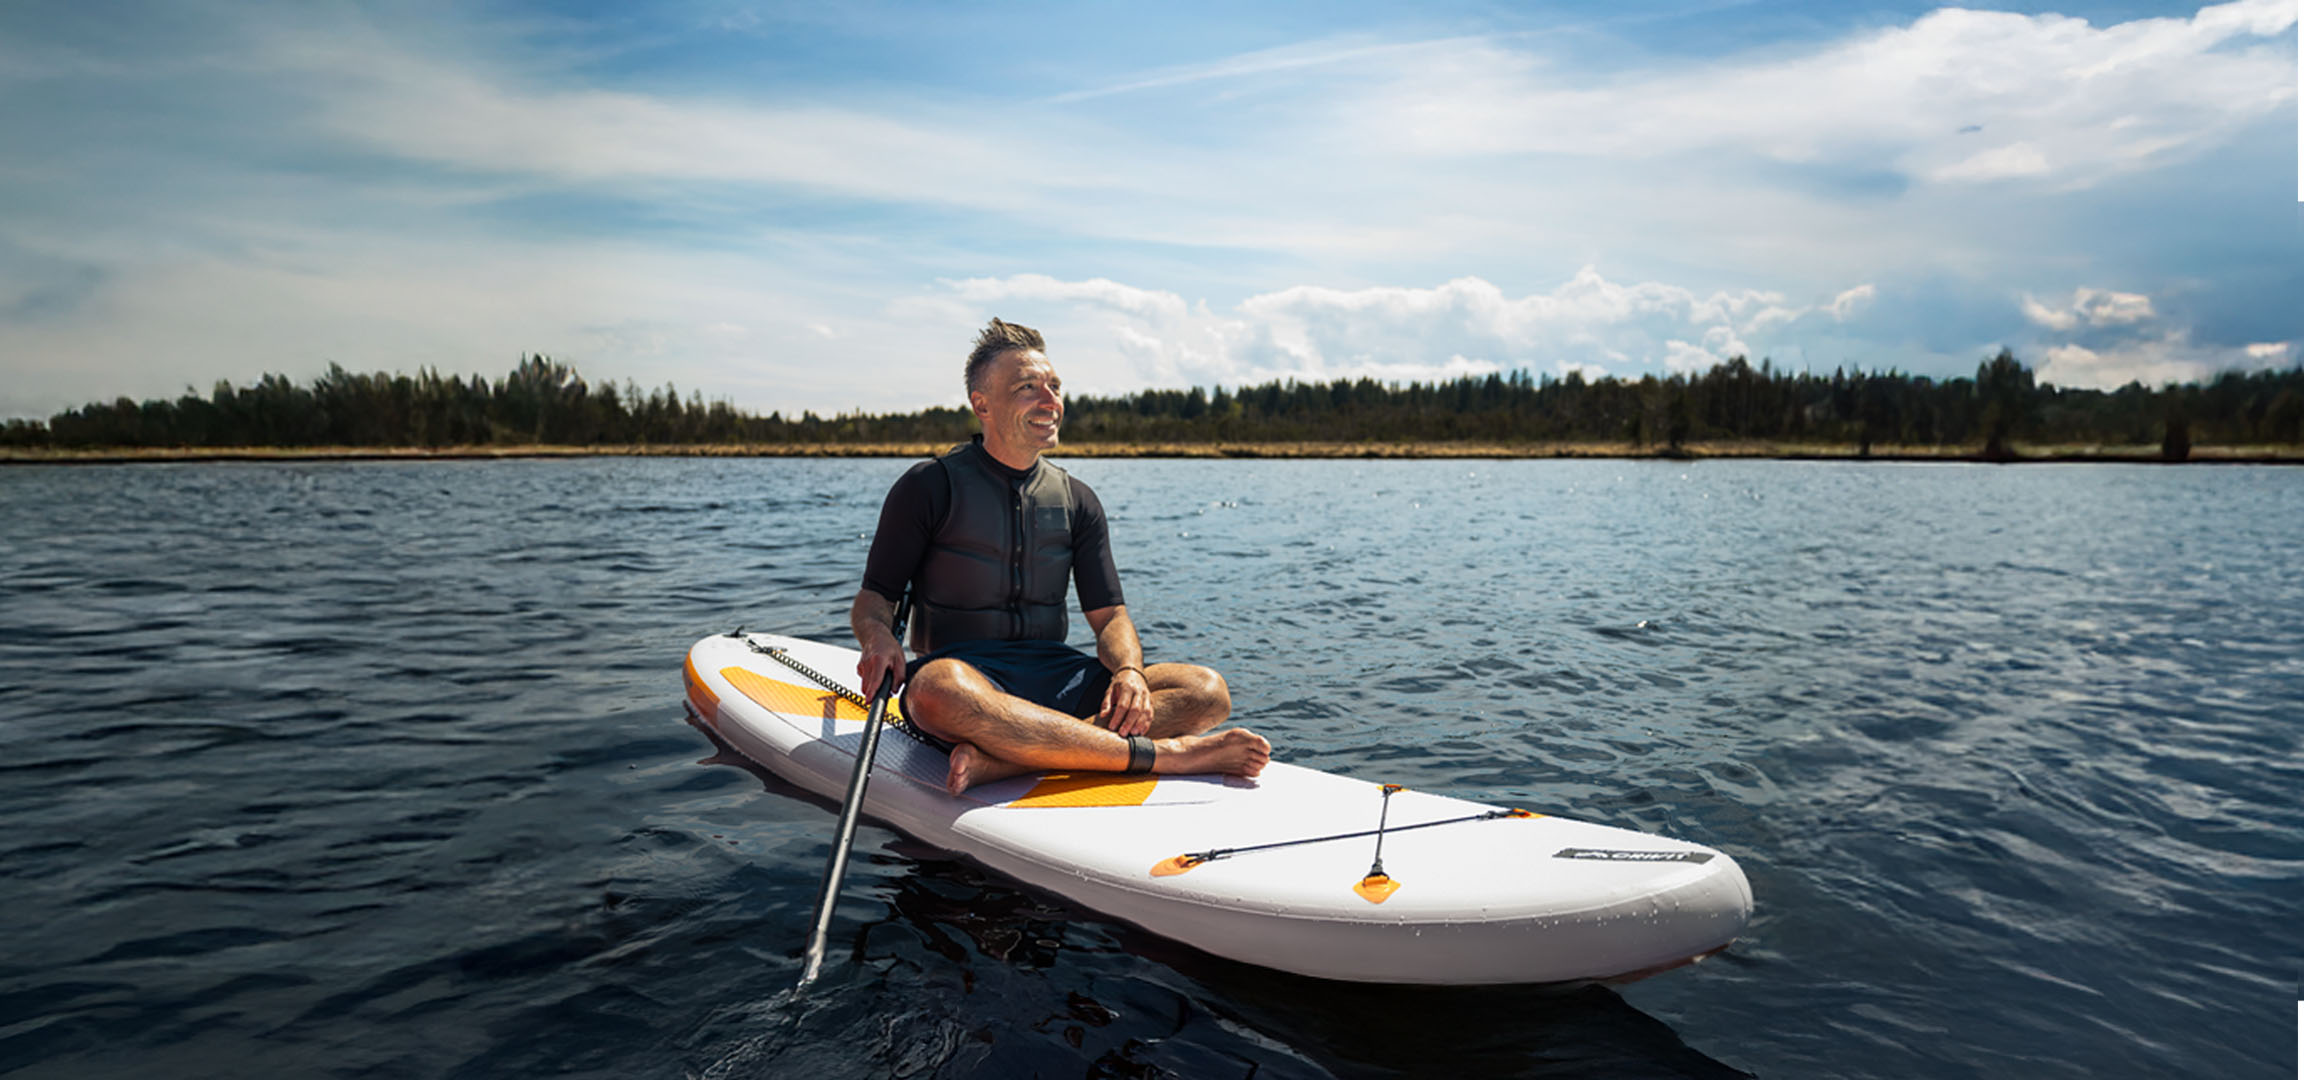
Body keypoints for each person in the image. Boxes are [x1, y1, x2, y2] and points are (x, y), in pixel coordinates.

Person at [851, 318, 1271, 795]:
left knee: (1205, 691)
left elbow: (1110, 615)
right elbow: (874, 601)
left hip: (1058, 675)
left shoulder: (1077, 498)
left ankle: (1006, 762)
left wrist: (1130, 671)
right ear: (981, 404)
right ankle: (1159, 756)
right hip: (968, 676)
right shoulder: (927, 486)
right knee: (933, 691)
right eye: (1028, 387)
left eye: (1054, 386)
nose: (1050, 401)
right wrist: (878, 639)